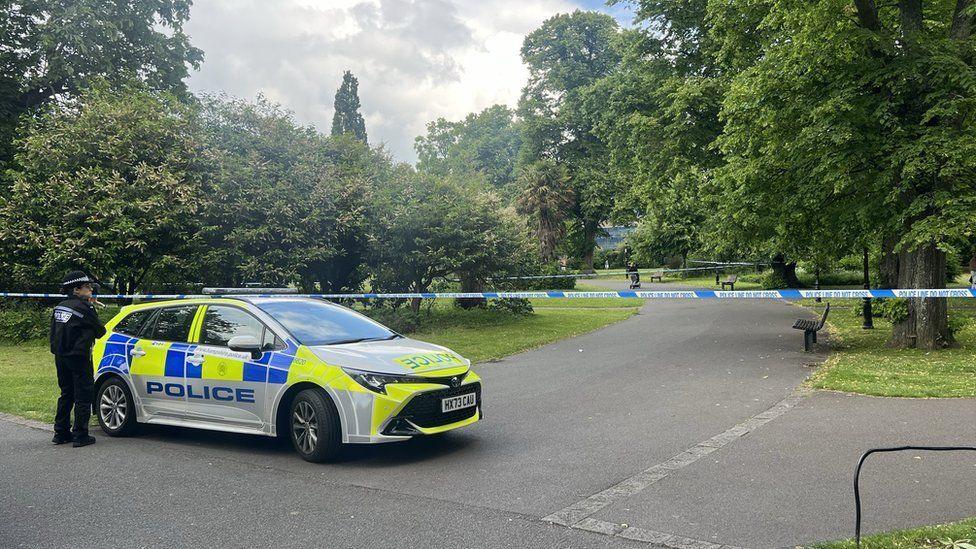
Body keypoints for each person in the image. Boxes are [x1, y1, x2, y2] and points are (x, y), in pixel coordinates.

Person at [50, 271, 106, 447]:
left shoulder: (60, 306)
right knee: (83, 395)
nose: (90, 289)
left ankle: (60, 433)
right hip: (79, 357)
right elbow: (100, 331)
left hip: (60, 356)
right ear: (76, 289)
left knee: (66, 393)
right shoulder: (85, 309)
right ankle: (80, 435)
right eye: (87, 287)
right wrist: (92, 308)